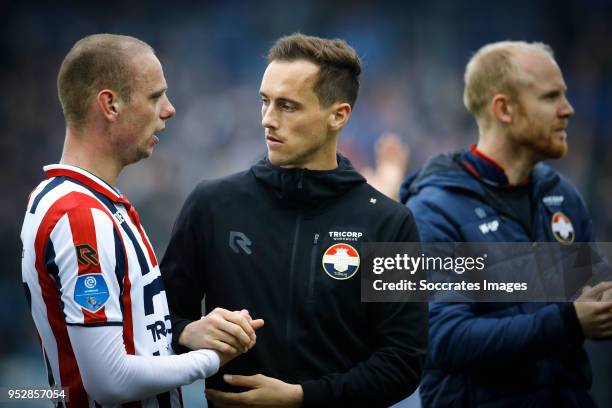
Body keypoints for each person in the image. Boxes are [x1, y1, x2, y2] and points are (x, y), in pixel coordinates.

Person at [161, 33, 428, 407]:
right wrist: (188, 331)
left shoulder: (389, 223)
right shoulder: (212, 204)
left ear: (338, 115)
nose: (268, 120)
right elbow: (154, 322)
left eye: (287, 106)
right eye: (265, 102)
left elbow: (403, 362)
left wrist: (303, 398)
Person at [20, 34, 261, 408]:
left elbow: (132, 339)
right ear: (110, 104)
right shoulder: (81, 217)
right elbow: (109, 382)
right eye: (155, 97)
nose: (169, 110)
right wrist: (211, 360)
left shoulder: (86, 202)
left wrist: (188, 334)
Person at [400, 41, 612, 407]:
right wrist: (568, 324)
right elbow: (444, 339)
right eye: (551, 97)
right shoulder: (433, 210)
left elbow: (595, 286)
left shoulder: (560, 194)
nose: (568, 110)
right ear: (504, 109)